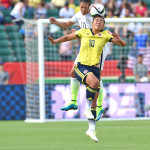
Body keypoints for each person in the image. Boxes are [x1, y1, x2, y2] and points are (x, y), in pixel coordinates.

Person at [48, 15, 126, 142]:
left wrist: (120, 40)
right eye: (96, 20)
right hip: (81, 66)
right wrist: (55, 41)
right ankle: (84, 106)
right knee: (95, 83)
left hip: (95, 69)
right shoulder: (84, 31)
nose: (99, 22)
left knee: (94, 100)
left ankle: (91, 129)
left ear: (103, 24)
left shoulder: (106, 35)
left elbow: (123, 45)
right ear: (92, 22)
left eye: (101, 21)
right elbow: (68, 37)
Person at [49, 0, 106, 123]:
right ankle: (73, 101)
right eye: (81, 7)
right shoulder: (78, 14)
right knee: (73, 72)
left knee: (97, 77)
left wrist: (80, 32)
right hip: (85, 48)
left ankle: (100, 106)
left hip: (97, 48)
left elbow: (99, 30)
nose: (83, 10)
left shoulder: (94, 15)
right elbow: (66, 25)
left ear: (90, 7)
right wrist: (56, 22)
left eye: (86, 8)